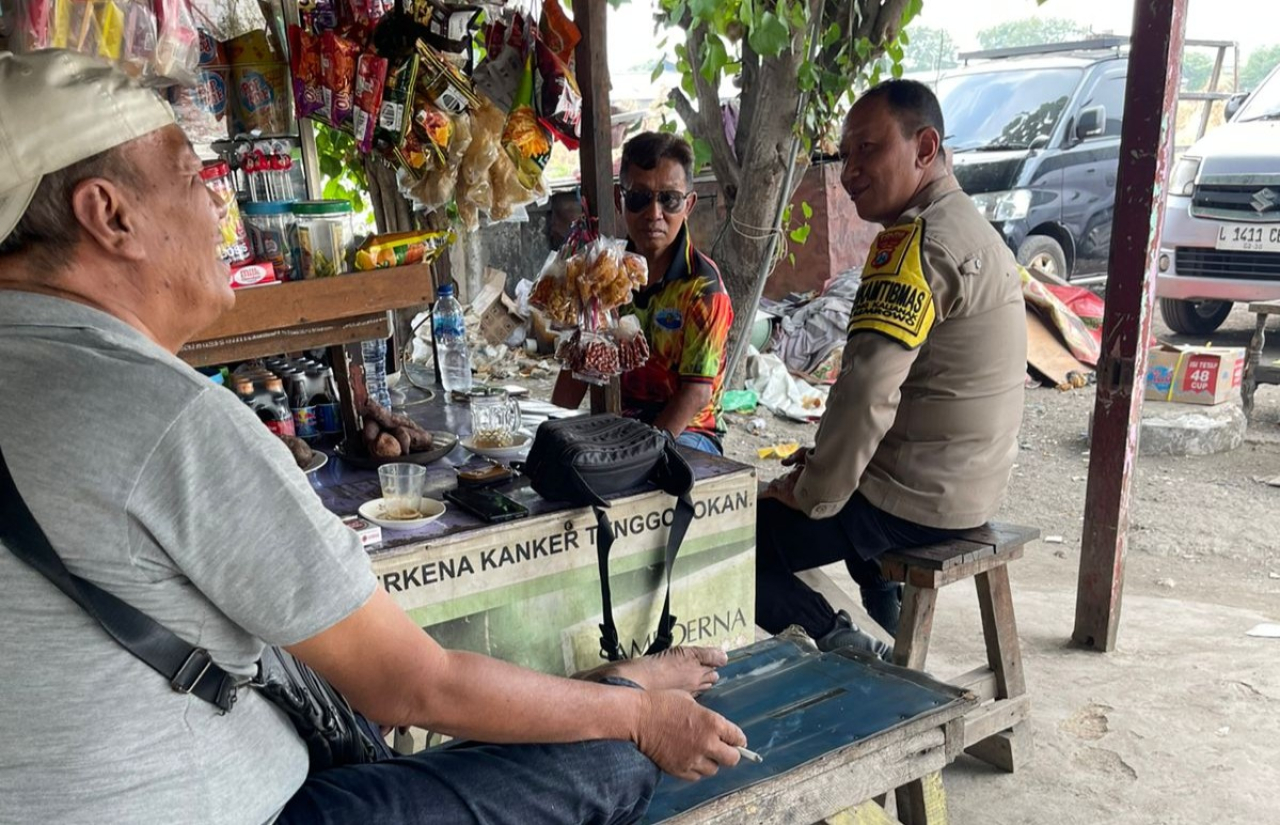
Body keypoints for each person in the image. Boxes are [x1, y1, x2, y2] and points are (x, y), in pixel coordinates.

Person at [0, 51, 745, 825]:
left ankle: (610, 690)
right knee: (613, 758)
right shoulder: (159, 412)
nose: (221, 211)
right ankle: (620, 694)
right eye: (193, 178)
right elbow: (417, 685)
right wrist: (638, 715)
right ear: (109, 214)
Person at [753, 80, 1027, 658]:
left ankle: (839, 641)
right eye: (844, 154)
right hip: (970, 487)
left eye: (867, 150)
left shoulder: (914, 244)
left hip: (914, 502)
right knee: (832, 480)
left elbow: (866, 393)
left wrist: (810, 492)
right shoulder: (971, 228)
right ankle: (882, 601)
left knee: (726, 546)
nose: (849, 172)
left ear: (924, 148)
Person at [551, 132, 733, 456]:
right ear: (619, 199)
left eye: (669, 199)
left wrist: (639, 453)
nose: (654, 213)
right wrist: (549, 429)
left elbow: (696, 394)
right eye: (639, 197)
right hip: (618, 425)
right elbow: (580, 366)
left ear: (689, 205)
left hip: (688, 433)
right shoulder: (605, 274)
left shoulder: (703, 288)